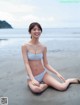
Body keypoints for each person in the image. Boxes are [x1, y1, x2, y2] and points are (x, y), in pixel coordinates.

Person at [21, 22, 80, 94]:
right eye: (34, 29)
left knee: (62, 87)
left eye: (39, 29)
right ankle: (46, 85)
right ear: (30, 32)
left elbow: (46, 64)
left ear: (41, 31)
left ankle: (69, 80)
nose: (37, 31)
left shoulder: (43, 47)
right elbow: (26, 64)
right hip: (31, 77)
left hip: (43, 74)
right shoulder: (25, 46)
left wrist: (57, 73)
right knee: (36, 90)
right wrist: (32, 79)